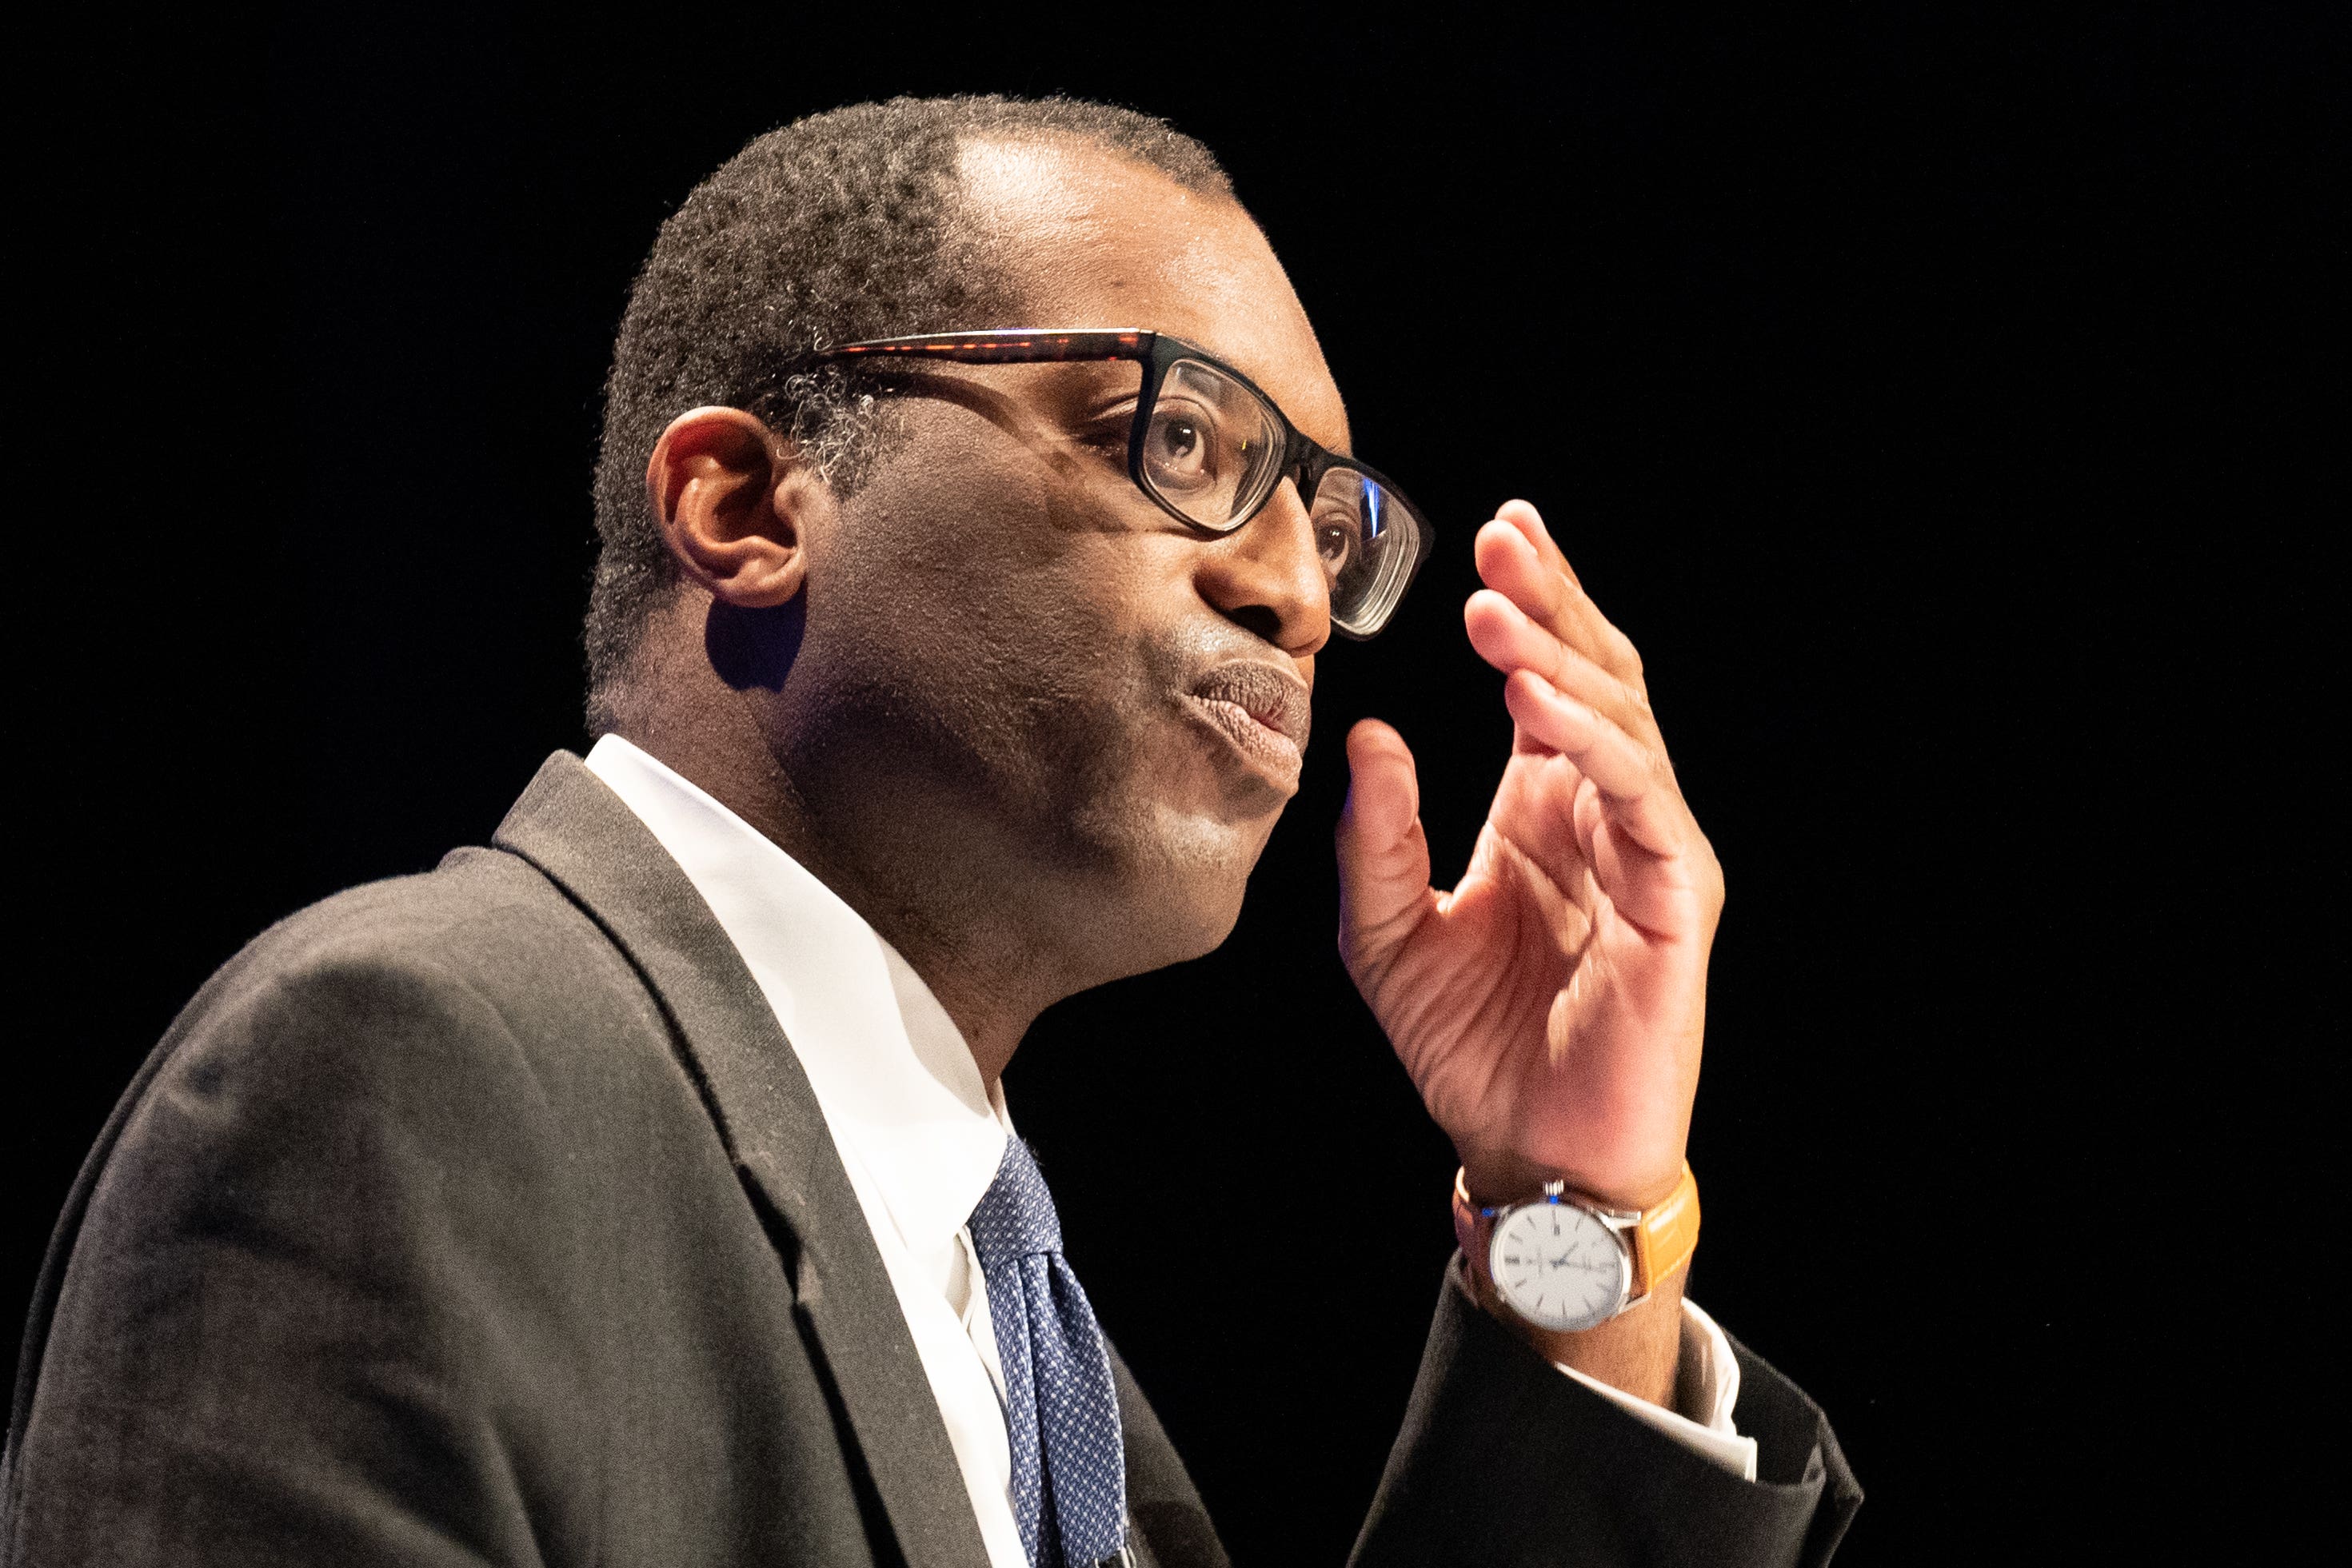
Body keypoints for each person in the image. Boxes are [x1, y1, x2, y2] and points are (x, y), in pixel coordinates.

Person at [0, 97, 1859, 1566]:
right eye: (1189, 443)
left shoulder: (1020, 1325)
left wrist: (1570, 1209)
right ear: (746, 503)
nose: (1295, 588)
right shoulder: (410, 1073)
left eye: (1330, 515)